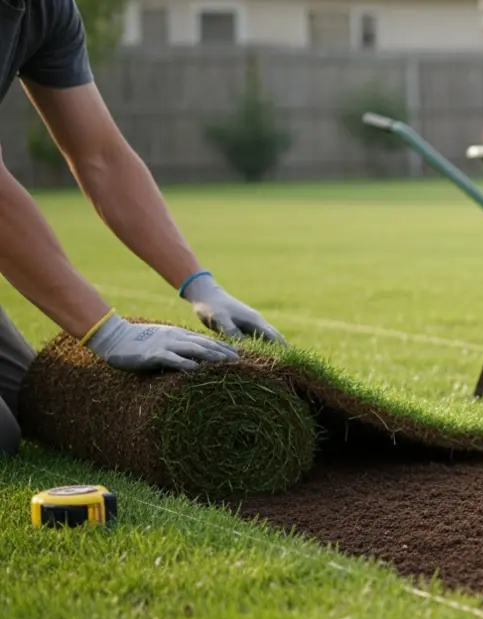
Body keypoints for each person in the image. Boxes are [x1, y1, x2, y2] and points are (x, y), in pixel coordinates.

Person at [0, 0, 286, 456]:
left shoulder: (48, 11)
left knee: (37, 405)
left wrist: (200, 285)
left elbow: (101, 156)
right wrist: (108, 332)